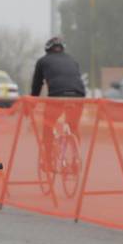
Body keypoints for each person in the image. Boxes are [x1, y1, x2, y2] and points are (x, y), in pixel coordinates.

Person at [30, 37, 86, 169]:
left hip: (57, 97)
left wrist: (32, 104)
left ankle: (48, 160)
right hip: (79, 96)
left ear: (47, 49)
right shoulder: (73, 60)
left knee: (48, 125)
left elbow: (37, 86)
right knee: (74, 126)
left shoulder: (43, 61)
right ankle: (75, 159)